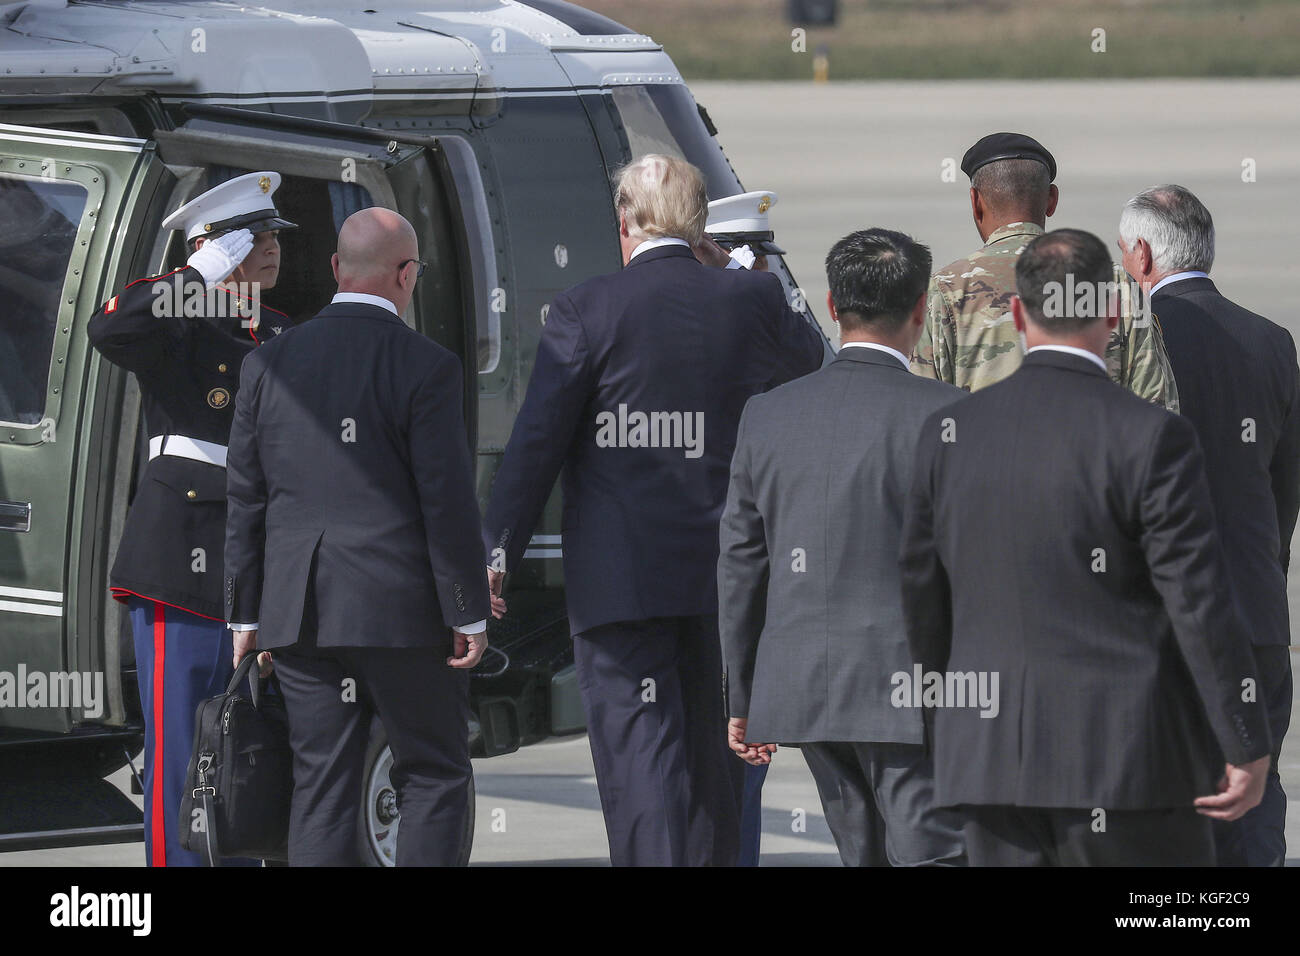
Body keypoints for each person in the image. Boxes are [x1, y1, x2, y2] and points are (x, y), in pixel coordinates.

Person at [481, 154, 825, 866]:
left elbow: (537, 442)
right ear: (701, 228)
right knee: (714, 782)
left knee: (642, 773)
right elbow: (811, 364)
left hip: (623, 581)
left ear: (624, 224)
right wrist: (741, 276)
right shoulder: (751, 302)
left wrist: (496, 552)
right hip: (726, 585)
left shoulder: (587, 308)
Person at [899, 228, 1271, 866]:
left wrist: (952, 725)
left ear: (1017, 314)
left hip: (992, 764)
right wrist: (1243, 739)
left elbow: (921, 594)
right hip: (1127, 762)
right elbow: (1197, 601)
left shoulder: (946, 433)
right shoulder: (1153, 436)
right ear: (1111, 312)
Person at [223, 208, 490, 866]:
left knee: (321, 786)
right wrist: (467, 610)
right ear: (407, 276)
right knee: (433, 773)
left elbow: (246, 499)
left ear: (338, 269)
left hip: (301, 614)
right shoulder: (428, 367)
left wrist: (246, 614)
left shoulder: (269, 363)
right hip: (400, 613)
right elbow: (446, 501)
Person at [719, 228, 967, 867]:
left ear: (831, 305)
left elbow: (743, 564)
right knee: (933, 852)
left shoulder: (768, 415)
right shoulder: (951, 414)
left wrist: (742, 696)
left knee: (863, 853)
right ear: (921, 309)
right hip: (915, 687)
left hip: (806, 683)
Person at [86, 171, 296, 867]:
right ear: (217, 245)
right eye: (255, 237)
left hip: (263, 575)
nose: (272, 249)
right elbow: (111, 328)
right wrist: (197, 272)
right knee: (184, 755)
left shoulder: (281, 333)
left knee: (248, 758)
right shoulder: (178, 324)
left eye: (274, 236)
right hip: (186, 568)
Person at [1119, 184, 1300, 867]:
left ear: (1139, 255)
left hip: (1160, 622)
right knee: (1253, 797)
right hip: (1254, 612)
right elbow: (1285, 489)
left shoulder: (1125, 343)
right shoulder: (1272, 342)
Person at [910, 132, 1178, 410]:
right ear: (1051, 200)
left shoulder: (941, 292)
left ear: (976, 202)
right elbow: (1158, 408)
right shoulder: (1115, 284)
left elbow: (923, 414)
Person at [702, 187, 794, 866]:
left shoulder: (775, 324)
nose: (765, 273)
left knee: (742, 769)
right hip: (721, 570)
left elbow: (812, 362)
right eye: (751, 261)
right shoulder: (701, 324)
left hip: (755, 573)